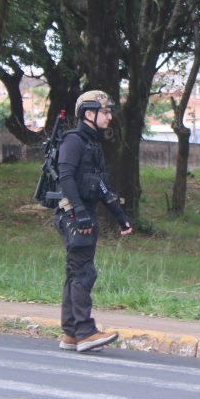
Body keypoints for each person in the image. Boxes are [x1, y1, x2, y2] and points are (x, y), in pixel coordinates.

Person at [53, 90, 133, 352]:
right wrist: (79, 212)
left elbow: (99, 185)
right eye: (105, 112)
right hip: (75, 216)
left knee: (75, 272)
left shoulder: (92, 143)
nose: (109, 117)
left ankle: (71, 333)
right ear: (89, 113)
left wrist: (120, 217)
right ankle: (86, 331)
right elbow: (65, 177)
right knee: (83, 272)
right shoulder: (74, 141)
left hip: (82, 213)